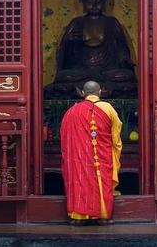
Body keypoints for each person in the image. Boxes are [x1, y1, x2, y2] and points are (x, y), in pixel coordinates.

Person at [44, 0, 136, 99]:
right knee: (63, 77)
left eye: (98, 1)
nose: (94, 5)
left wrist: (125, 58)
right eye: (90, 1)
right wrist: (70, 43)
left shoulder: (112, 22)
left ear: (104, 2)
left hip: (107, 71)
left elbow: (122, 48)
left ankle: (88, 88)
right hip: (82, 71)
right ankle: (99, 87)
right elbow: (64, 52)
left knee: (128, 76)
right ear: (83, 3)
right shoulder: (76, 23)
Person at [60, 80, 123, 225]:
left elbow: (65, 138)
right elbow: (116, 136)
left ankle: (78, 217)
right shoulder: (108, 108)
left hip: (78, 157)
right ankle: (102, 216)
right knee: (102, 180)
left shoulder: (72, 111)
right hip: (102, 155)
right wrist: (115, 151)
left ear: (82, 93)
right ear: (100, 92)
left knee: (79, 177)